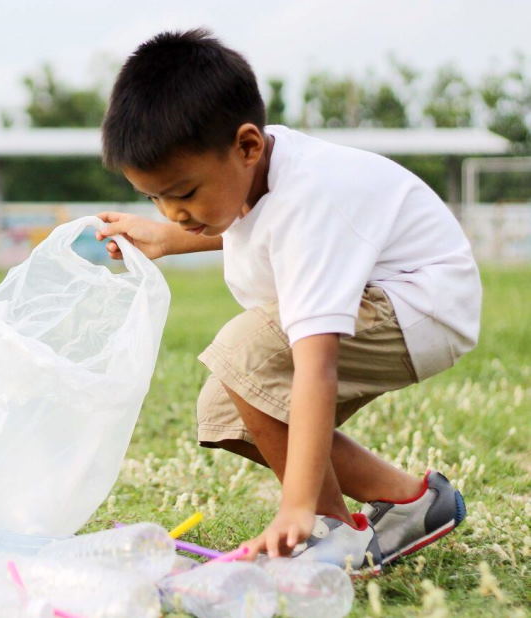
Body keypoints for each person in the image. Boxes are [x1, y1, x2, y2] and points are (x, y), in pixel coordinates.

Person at [95, 29, 479, 575]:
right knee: (228, 408)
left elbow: (315, 365)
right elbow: (247, 219)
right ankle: (410, 499)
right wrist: (168, 237)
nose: (172, 210)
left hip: (421, 305)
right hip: (393, 301)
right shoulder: (251, 168)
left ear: (248, 145)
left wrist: (296, 504)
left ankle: (329, 528)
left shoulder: (311, 199)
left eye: (181, 193)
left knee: (242, 353)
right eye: (153, 197)